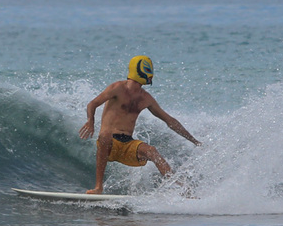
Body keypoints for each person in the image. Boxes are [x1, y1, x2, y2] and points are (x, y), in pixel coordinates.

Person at [78, 56, 200, 194]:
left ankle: (178, 186)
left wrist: (193, 140)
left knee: (152, 151)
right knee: (105, 136)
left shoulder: (145, 98)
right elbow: (92, 104)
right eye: (148, 70)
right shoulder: (117, 88)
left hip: (127, 146)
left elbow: (169, 121)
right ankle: (98, 187)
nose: (151, 75)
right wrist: (90, 121)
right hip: (109, 144)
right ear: (139, 69)